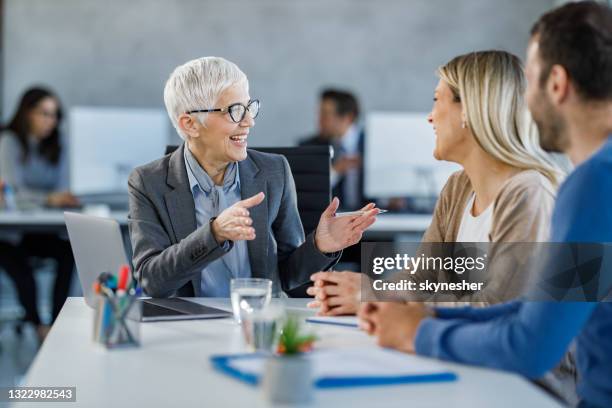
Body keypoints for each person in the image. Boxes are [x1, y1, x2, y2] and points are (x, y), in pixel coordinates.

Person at [358, 3, 612, 407]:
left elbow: (533, 345)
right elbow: (532, 313)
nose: (523, 102)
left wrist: (418, 330)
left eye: (529, 81)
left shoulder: (593, 186)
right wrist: (426, 317)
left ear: (557, 83)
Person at [308, 50, 561, 316]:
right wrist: (362, 293)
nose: (430, 117)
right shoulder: (458, 187)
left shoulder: (529, 193)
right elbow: (419, 280)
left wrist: (375, 296)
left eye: (437, 100)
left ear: (469, 111)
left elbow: (498, 307)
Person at [128, 57, 378, 298]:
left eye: (249, 108)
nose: (249, 122)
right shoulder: (148, 183)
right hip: (189, 326)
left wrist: (319, 246)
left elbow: (288, 276)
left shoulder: (274, 172)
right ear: (190, 124)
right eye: (235, 111)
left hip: (258, 321)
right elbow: (151, 282)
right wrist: (213, 234)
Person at [0, 87, 78, 339]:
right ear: (27, 113)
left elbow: (61, 188)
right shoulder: (9, 142)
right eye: (44, 113)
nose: (50, 121)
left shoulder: (58, 144)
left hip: (39, 231)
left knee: (68, 253)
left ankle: (55, 325)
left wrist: (57, 198)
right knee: (20, 267)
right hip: (9, 234)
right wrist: (47, 199)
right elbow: (13, 191)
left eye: (54, 115)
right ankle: (37, 326)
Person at [300, 89, 366, 211]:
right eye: (319, 114)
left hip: (376, 219)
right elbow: (304, 191)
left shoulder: (371, 144)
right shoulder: (309, 147)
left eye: (325, 114)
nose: (319, 120)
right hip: (332, 221)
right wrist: (335, 171)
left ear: (348, 118)